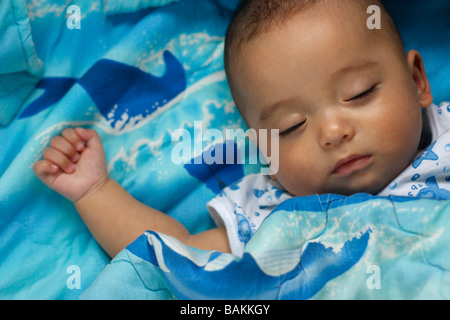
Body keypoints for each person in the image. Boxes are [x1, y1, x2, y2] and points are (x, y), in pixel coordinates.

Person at [34, 0, 449, 257]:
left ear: (417, 82)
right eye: (291, 127)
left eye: (359, 93)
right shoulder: (270, 211)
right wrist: (94, 191)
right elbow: (181, 251)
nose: (333, 131)